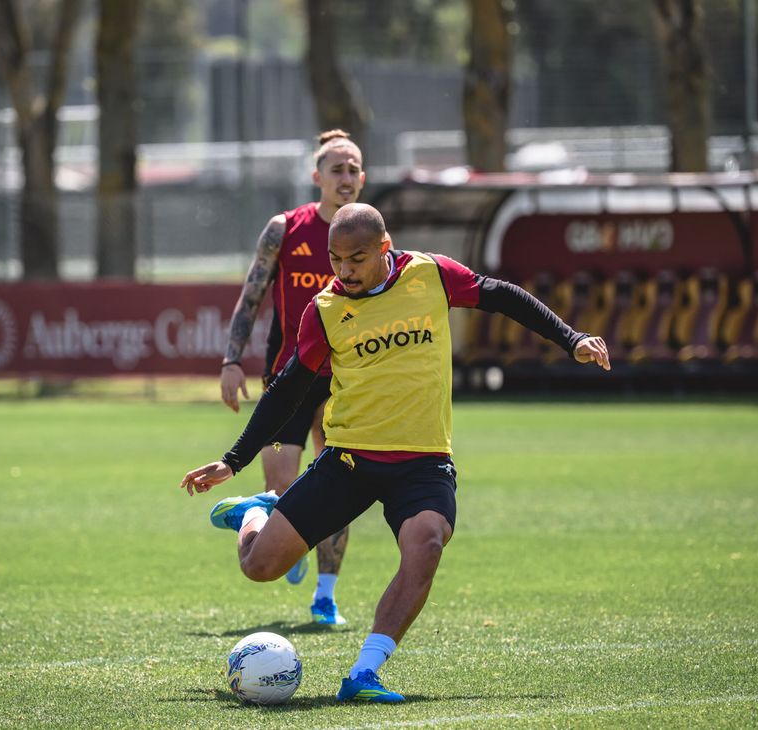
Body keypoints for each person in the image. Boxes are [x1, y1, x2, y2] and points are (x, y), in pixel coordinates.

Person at [182, 203, 611, 703]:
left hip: (423, 461)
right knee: (259, 567)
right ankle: (256, 514)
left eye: (357, 259)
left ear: (385, 249)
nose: (345, 271)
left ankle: (364, 672)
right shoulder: (324, 310)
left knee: (427, 543)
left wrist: (572, 338)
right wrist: (233, 461)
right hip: (349, 460)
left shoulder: (430, 274)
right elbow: (286, 390)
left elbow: (504, 297)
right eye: (336, 260)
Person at [216, 130, 365, 625]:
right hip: (289, 378)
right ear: (316, 176)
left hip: (345, 380)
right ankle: (263, 515)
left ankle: (326, 596)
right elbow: (251, 296)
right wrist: (231, 360)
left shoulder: (368, 236)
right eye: (336, 169)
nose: (345, 178)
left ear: (362, 178)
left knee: (341, 484)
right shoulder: (285, 229)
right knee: (285, 493)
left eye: (353, 170)